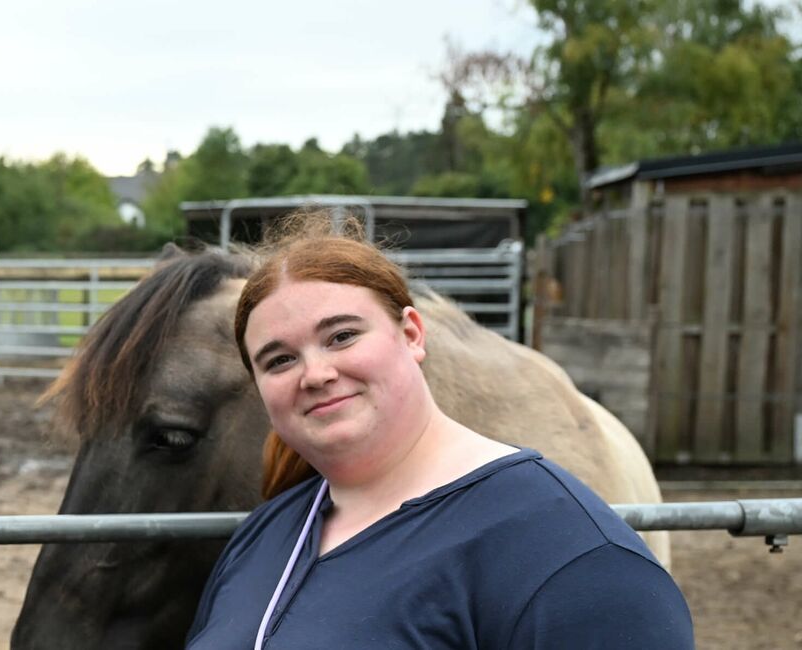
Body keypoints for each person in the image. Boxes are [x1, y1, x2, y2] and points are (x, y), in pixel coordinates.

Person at [185, 214, 693, 648]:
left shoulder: (567, 553)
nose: (315, 374)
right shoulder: (265, 535)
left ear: (411, 334)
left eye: (342, 336)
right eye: (279, 359)